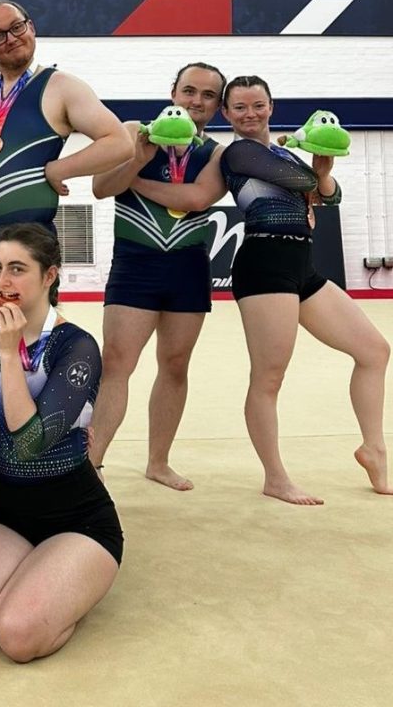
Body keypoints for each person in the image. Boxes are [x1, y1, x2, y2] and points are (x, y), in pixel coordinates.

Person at [0, 223, 122, 664]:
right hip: (10, 512)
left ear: (49, 276)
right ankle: (36, 573)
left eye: (18, 269)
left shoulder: (76, 347)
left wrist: (7, 353)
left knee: (17, 636)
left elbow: (27, 444)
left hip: (78, 518)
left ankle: (65, 584)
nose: (3, 281)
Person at [215, 76, 388, 504]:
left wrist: (318, 171)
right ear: (227, 114)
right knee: (270, 376)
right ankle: (275, 476)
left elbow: (332, 194)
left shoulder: (284, 152)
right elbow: (304, 182)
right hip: (265, 265)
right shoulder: (238, 152)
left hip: (302, 264)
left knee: (374, 350)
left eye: (258, 105)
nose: (250, 114)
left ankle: (374, 448)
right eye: (239, 107)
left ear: (271, 106)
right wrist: (316, 164)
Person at [0, 0, 132, 307]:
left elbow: (120, 142)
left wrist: (60, 169)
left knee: (28, 337)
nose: (10, 38)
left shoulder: (62, 86)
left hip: (27, 239)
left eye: (17, 27)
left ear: (31, 27)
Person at [88, 63, 226, 489]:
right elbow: (100, 187)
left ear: (217, 106)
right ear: (173, 92)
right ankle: (90, 462)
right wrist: (139, 159)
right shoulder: (134, 132)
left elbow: (198, 198)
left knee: (176, 364)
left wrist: (137, 181)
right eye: (189, 91)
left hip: (187, 266)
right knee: (116, 363)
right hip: (136, 263)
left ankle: (158, 461)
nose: (195, 101)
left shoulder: (218, 153)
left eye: (207, 96)